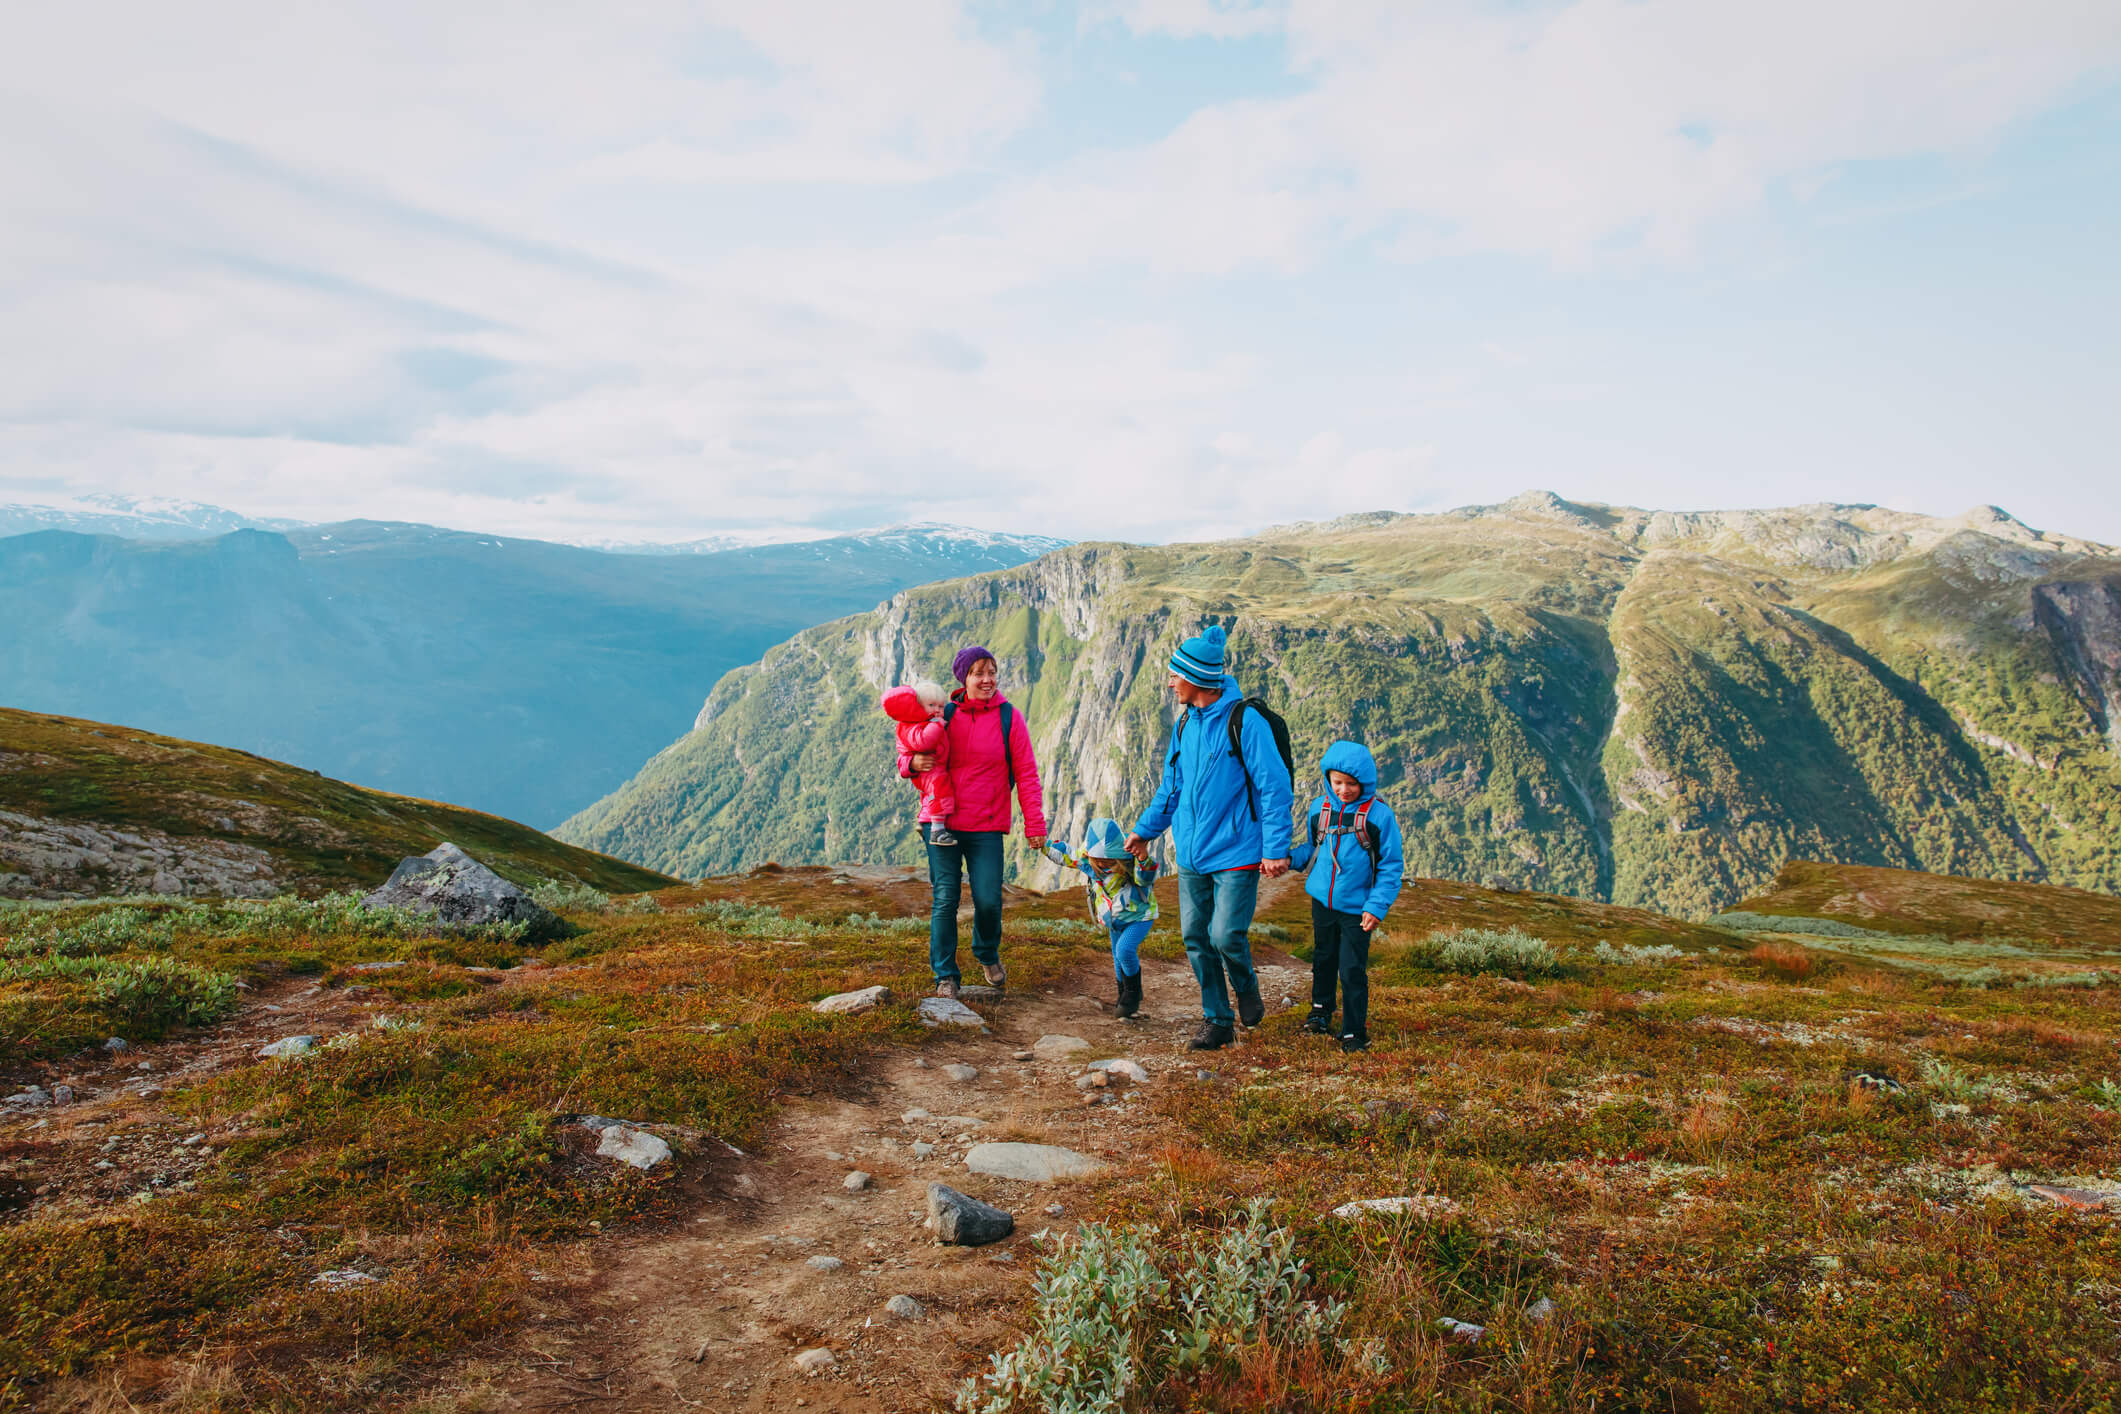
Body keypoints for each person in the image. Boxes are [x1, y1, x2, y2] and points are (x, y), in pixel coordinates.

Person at [1124, 624, 1292, 1050]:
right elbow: (1171, 788)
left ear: (1196, 679)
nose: (1169, 682)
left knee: (1223, 936)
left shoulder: (1245, 722)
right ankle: (1217, 1020)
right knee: (1196, 939)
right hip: (1193, 856)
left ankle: (1247, 987)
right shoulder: (1185, 726)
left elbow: (1274, 788)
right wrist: (1145, 831)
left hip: (1237, 850)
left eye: (1174, 674)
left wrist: (1274, 849)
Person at [901, 645, 1046, 999]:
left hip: (986, 824)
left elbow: (1026, 773)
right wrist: (909, 766)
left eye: (992, 672)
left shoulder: (1009, 717)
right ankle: (946, 977)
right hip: (940, 821)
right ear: (963, 678)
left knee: (988, 900)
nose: (987, 680)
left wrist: (1035, 825)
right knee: (946, 899)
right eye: (979, 673)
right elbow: (908, 743)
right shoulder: (942, 715)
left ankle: (986, 952)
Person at [1287, 740, 1405, 1052]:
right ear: (1328, 778)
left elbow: (1391, 866)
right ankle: (1320, 1012)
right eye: (1337, 782)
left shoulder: (1379, 817)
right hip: (1322, 902)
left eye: (1351, 784)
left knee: (1351, 968)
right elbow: (1313, 848)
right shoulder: (1319, 809)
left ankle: (1354, 1031)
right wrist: (1287, 860)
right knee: (1323, 958)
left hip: (1358, 908)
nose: (1343, 790)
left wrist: (1376, 906)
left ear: (1365, 782)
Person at [1044, 817, 1161, 1020]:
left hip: (1139, 916)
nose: (1100, 863)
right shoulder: (1088, 860)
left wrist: (1143, 859)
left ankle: (1133, 994)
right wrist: (1043, 844)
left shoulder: (1129, 858)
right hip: (1114, 919)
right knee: (1117, 956)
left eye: (1107, 859)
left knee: (1124, 950)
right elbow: (1066, 854)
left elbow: (1145, 879)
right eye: (1096, 858)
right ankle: (1122, 995)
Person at [881, 680, 957, 846]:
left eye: (941, 706)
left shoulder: (923, 723)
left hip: (931, 767)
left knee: (934, 792)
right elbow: (924, 742)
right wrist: (937, 726)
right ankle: (937, 829)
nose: (937, 710)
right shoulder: (917, 725)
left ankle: (927, 823)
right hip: (929, 769)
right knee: (938, 790)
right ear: (919, 707)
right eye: (931, 705)